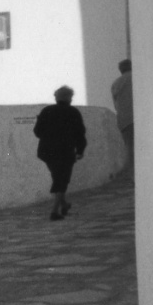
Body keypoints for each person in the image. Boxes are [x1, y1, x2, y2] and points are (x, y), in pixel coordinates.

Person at [34, 87, 88, 220]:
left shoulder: (46, 111)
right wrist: (80, 150)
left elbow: (37, 132)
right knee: (62, 180)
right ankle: (54, 211)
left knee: (58, 177)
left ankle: (64, 205)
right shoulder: (73, 112)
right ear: (69, 97)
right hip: (65, 151)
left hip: (46, 151)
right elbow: (80, 134)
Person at [110, 60, 134, 169]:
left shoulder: (116, 83)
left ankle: (134, 178)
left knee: (130, 150)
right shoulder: (137, 77)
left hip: (124, 121)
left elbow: (116, 105)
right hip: (140, 119)